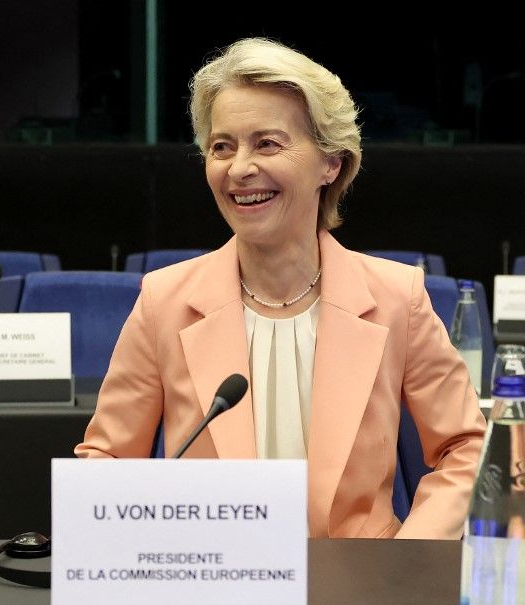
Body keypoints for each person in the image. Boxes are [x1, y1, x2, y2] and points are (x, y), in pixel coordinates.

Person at [75, 38, 484, 540]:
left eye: (267, 143)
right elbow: (107, 460)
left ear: (331, 163)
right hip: (214, 590)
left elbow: (467, 448)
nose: (240, 168)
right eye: (222, 146)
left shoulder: (398, 297)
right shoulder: (165, 301)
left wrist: (408, 558)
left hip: (361, 593)